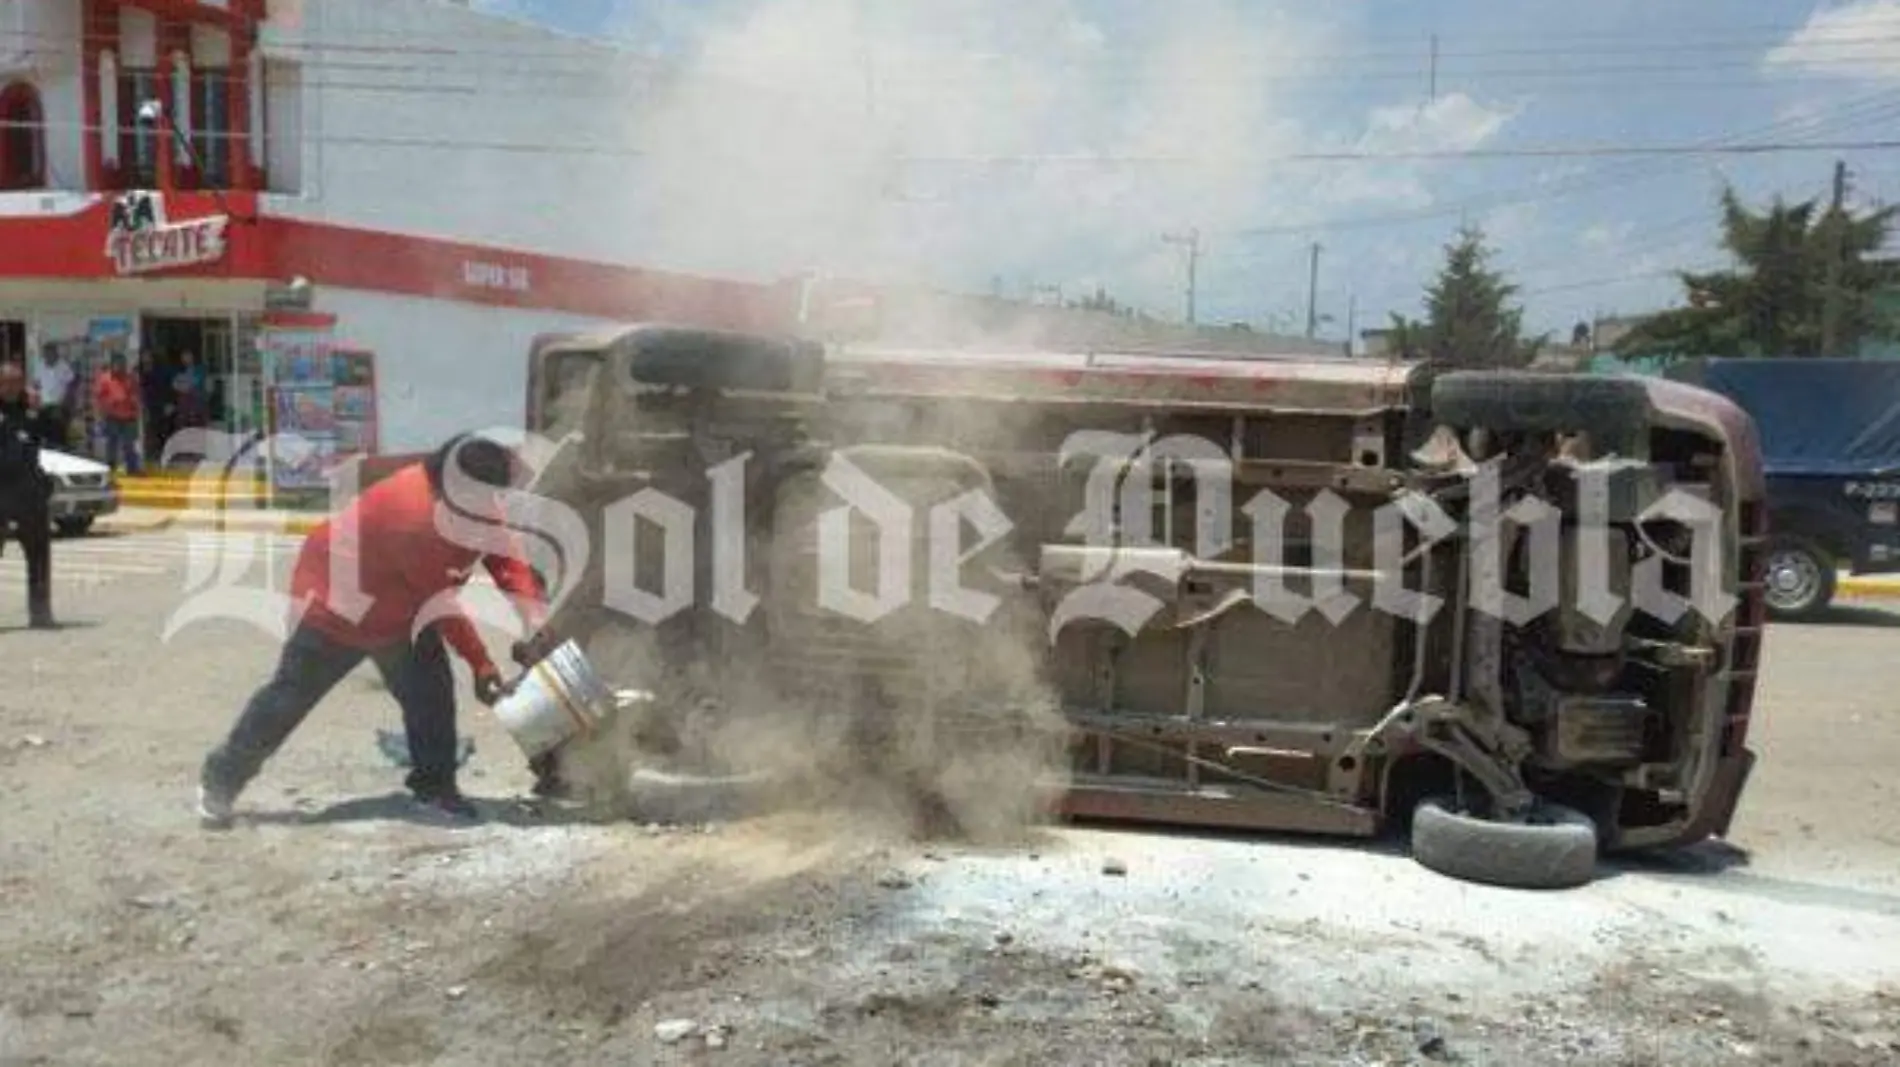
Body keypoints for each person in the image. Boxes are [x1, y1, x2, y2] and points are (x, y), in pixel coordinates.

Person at [197, 433, 561, 827]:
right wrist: (481, 664)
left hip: (401, 606)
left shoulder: (473, 498)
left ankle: (435, 790)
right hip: (337, 606)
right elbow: (439, 605)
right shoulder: (413, 518)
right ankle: (219, 783)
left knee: (430, 696)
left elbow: (502, 553)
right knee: (289, 698)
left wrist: (533, 616)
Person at [0, 362, 55, 630]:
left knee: (39, 556)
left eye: (17, 381)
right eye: (7, 382)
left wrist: (40, 409)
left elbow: (56, 435)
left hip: (29, 494)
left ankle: (40, 611)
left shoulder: (31, 412)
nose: (12, 387)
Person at [92, 355, 142, 475]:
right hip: (112, 416)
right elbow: (98, 397)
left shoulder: (130, 378)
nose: (120, 367)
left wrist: (134, 405)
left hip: (128, 415)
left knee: (128, 444)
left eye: (122, 364)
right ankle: (111, 467)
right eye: (117, 365)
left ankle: (132, 468)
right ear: (112, 365)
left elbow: (136, 394)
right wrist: (104, 408)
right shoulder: (105, 379)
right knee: (112, 444)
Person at [31, 349, 75, 450]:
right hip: (44, 404)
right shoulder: (40, 366)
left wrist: (67, 399)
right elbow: (36, 383)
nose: (48, 357)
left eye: (50, 354)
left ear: (55, 354)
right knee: (44, 432)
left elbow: (72, 384)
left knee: (58, 433)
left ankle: (60, 451)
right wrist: (35, 397)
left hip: (59, 404)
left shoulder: (63, 366)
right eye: (46, 355)